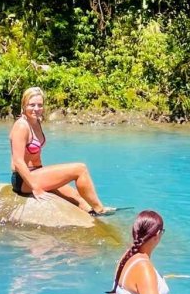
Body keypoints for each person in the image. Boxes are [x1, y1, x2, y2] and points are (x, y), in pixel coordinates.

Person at [8, 86, 114, 215]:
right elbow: (18, 161)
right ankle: (100, 210)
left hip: (37, 173)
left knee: (79, 199)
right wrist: (36, 188)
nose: (36, 109)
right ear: (24, 105)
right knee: (80, 169)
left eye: (40, 105)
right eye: (32, 105)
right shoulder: (21, 126)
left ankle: (95, 215)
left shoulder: (36, 122)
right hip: (24, 180)